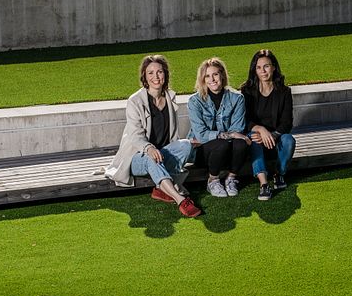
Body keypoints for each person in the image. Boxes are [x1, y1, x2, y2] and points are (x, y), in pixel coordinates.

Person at [105, 54, 202, 217]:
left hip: (161, 153)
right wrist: (148, 148)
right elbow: (135, 135)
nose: (156, 77)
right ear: (144, 76)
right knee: (152, 158)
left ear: (165, 74)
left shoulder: (170, 97)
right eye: (150, 73)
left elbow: (172, 136)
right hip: (137, 157)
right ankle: (180, 200)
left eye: (160, 72)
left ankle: (160, 190)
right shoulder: (135, 101)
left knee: (185, 145)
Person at [188, 57, 251, 198]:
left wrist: (233, 135)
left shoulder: (237, 98)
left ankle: (231, 178)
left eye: (215, 74)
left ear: (222, 75)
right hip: (203, 152)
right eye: (207, 76)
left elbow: (238, 129)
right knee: (222, 144)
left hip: (228, 151)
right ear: (202, 79)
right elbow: (201, 135)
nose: (212, 79)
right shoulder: (195, 101)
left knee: (241, 143)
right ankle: (213, 180)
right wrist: (230, 135)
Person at [240, 49, 296, 200]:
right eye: (258, 67)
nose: (263, 71)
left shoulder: (284, 91)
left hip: (275, 138)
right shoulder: (247, 91)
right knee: (254, 137)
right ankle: (264, 184)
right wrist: (260, 129)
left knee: (289, 140)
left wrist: (272, 135)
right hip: (256, 137)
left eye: (266, 66)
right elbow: (245, 119)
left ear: (273, 67)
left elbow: (287, 122)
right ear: (254, 70)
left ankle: (279, 174)